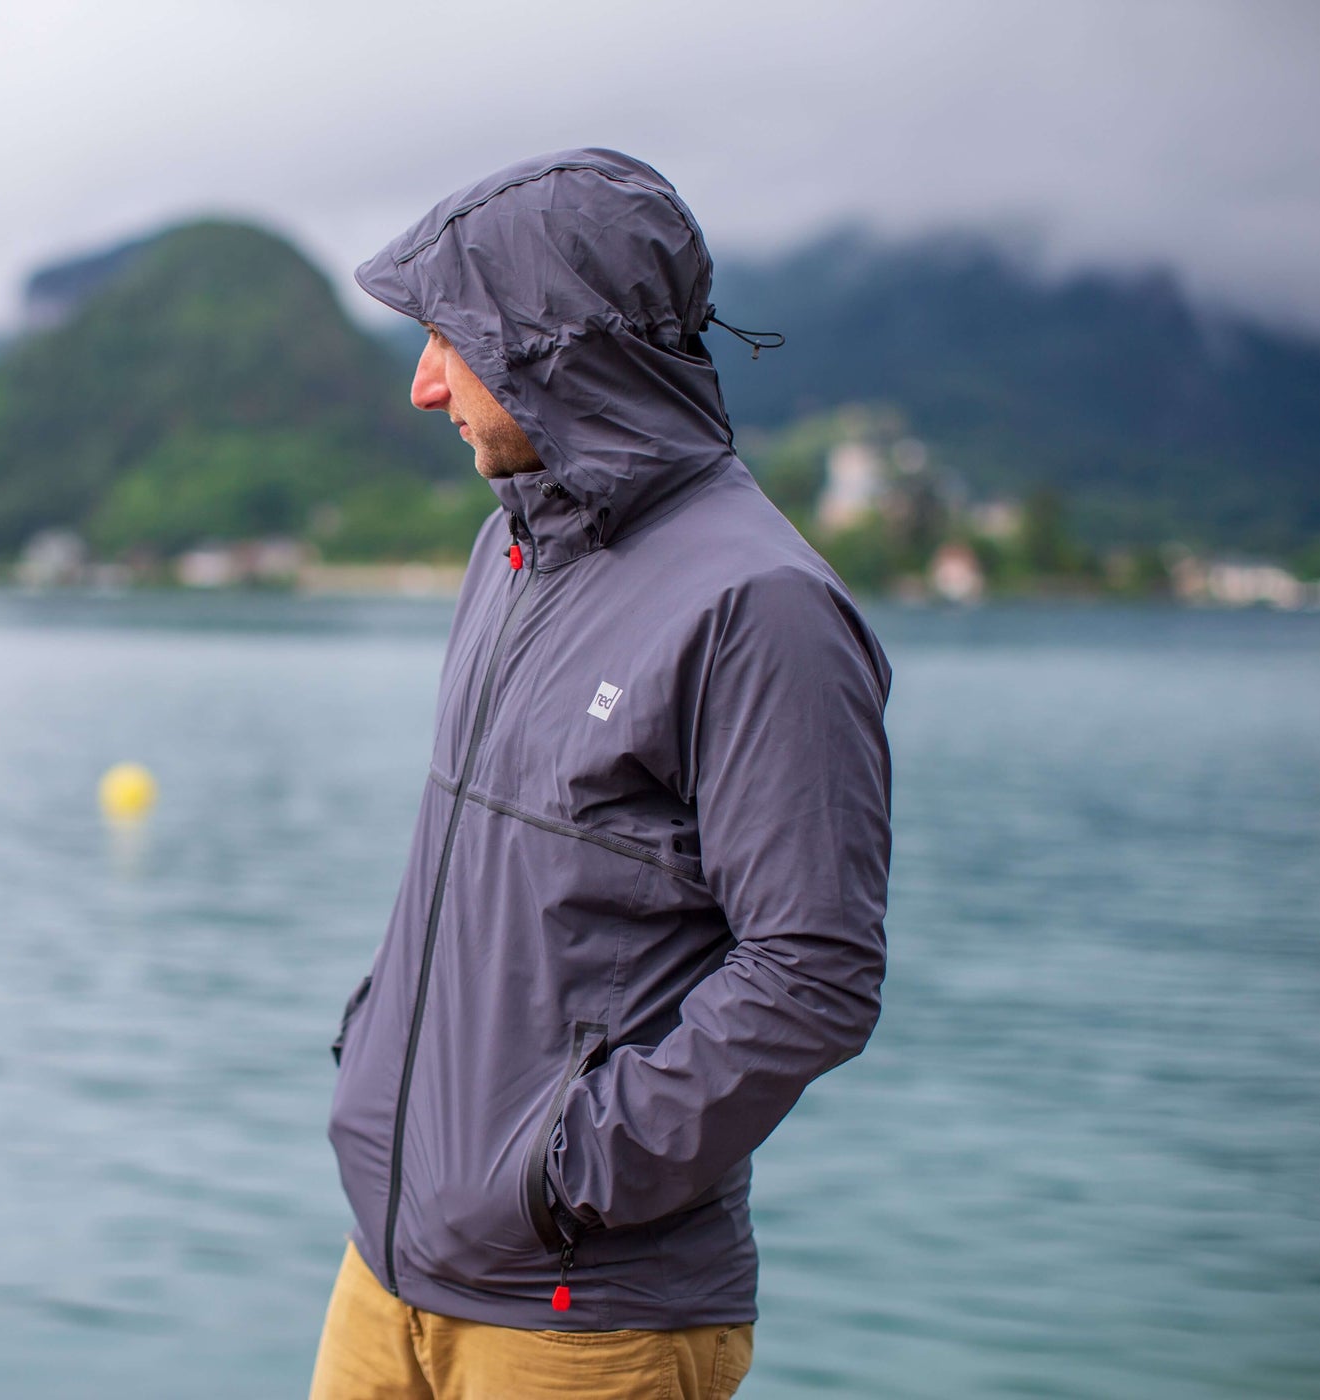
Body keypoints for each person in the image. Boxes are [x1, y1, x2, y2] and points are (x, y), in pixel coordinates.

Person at [311, 149, 893, 1399]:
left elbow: (815, 971)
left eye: (447, 341)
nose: (423, 387)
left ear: (548, 346)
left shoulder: (763, 605)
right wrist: (378, 1071)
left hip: (581, 1322)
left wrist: (561, 1171)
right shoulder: (510, 552)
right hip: (388, 1272)